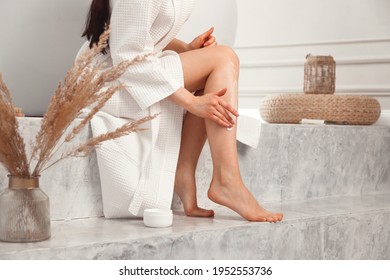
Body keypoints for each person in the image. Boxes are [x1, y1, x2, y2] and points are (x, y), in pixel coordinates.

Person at [80, 0, 283, 222]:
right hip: (112, 81)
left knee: (222, 62)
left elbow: (141, 33)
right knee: (224, 59)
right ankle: (226, 180)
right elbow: (128, 55)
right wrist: (190, 102)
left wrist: (185, 49)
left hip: (132, 69)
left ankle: (186, 174)